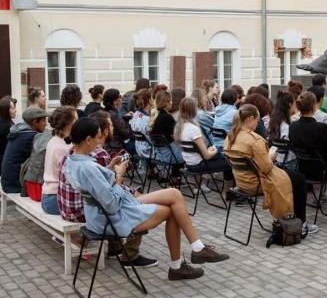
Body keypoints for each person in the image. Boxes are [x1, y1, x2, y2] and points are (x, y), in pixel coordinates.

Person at [63, 117, 229, 280]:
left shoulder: (73, 160)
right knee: (171, 211)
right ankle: (180, 264)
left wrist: (109, 169)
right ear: (87, 139)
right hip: (111, 219)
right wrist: (118, 176)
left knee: (174, 194)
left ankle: (195, 249)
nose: (100, 141)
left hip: (105, 212)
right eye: (98, 137)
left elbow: (95, 186)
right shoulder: (87, 167)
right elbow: (111, 205)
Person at [58, 111, 158, 267]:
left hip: (71, 207)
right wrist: (119, 176)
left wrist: (111, 170)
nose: (113, 127)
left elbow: (99, 186)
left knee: (132, 197)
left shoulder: (72, 154)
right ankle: (128, 254)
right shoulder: (96, 156)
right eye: (111, 124)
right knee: (136, 201)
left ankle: (117, 247)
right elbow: (109, 199)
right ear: (99, 133)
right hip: (87, 212)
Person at [224, 104, 319, 234]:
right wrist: (270, 157)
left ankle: (295, 220)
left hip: (242, 182)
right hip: (258, 182)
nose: (258, 123)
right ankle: (300, 223)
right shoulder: (254, 140)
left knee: (293, 176)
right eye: (258, 120)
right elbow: (267, 167)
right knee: (300, 179)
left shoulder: (230, 137)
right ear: (250, 118)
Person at [175, 97, 234, 193]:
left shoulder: (179, 127)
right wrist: (215, 150)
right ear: (193, 110)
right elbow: (206, 156)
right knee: (230, 161)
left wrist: (212, 150)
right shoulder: (193, 128)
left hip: (189, 163)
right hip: (199, 165)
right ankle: (230, 193)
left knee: (221, 153)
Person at [289, 92, 327, 197]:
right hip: (322, 170)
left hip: (303, 168)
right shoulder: (321, 128)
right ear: (314, 106)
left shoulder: (293, 126)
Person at [1, 106, 48, 193]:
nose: (45, 124)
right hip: (15, 185)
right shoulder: (30, 137)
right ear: (34, 122)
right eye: (43, 121)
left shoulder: (20, 131)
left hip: (7, 181)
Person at [41, 106, 77, 213]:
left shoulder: (55, 140)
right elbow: (70, 177)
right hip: (54, 198)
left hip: (49, 194)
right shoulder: (63, 147)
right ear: (68, 124)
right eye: (76, 120)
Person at [149, 89, 184, 175]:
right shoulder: (167, 117)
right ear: (166, 102)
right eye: (171, 100)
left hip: (158, 154)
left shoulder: (155, 116)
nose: (172, 102)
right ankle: (175, 178)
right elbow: (176, 134)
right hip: (170, 155)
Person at [268, 91, 297, 171]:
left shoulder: (273, 122)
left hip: (277, 161)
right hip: (290, 162)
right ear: (290, 104)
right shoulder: (288, 127)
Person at [103, 88, 135, 156]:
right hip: (115, 147)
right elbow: (125, 132)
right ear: (114, 101)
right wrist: (127, 120)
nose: (122, 98)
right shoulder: (114, 114)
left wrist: (124, 118)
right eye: (119, 96)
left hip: (107, 145)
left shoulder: (104, 112)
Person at [0, 96, 17, 176]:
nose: (15, 110)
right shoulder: (7, 129)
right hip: (4, 167)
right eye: (12, 108)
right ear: (6, 111)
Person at [129, 88, 154, 159]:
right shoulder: (146, 119)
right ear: (149, 100)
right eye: (152, 97)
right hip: (147, 150)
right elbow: (150, 137)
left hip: (138, 148)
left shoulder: (135, 114)